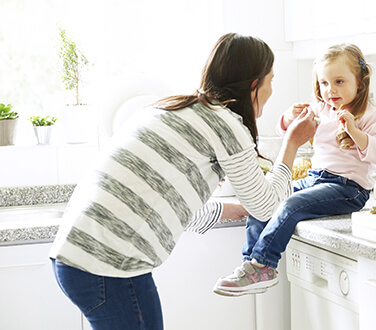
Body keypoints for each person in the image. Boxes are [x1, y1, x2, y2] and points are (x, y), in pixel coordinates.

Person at [49, 32, 318, 330]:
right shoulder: (225, 124)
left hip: (80, 259)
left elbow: (167, 203)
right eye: (270, 80)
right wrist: (292, 143)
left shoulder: (173, 109)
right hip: (108, 263)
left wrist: (229, 209)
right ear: (254, 85)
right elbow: (267, 207)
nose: (271, 90)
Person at [213, 43, 376, 296]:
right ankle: (250, 264)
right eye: (324, 83)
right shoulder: (321, 109)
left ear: (360, 82)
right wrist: (287, 117)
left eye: (339, 81)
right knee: (263, 201)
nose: (331, 90)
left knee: (290, 205)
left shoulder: (371, 115)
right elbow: (284, 131)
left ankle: (263, 264)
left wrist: (354, 131)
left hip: (348, 188)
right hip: (316, 180)